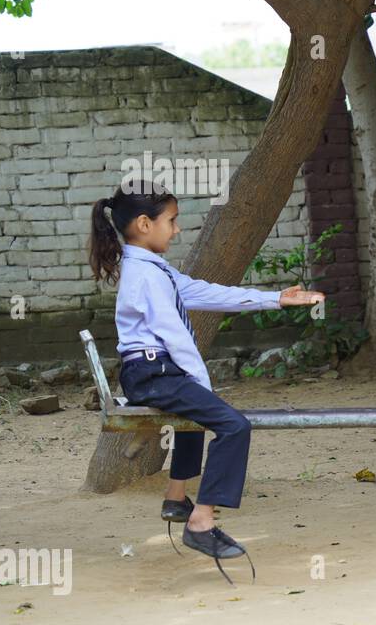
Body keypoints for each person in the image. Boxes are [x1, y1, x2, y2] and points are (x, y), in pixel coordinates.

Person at [88, 181, 323, 579]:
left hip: (151, 372)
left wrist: (275, 298)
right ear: (144, 224)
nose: (177, 230)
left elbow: (206, 293)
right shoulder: (145, 276)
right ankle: (201, 522)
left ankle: (176, 498)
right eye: (172, 221)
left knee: (196, 414)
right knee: (233, 426)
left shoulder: (152, 270)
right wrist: (203, 385)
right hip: (153, 371)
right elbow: (173, 335)